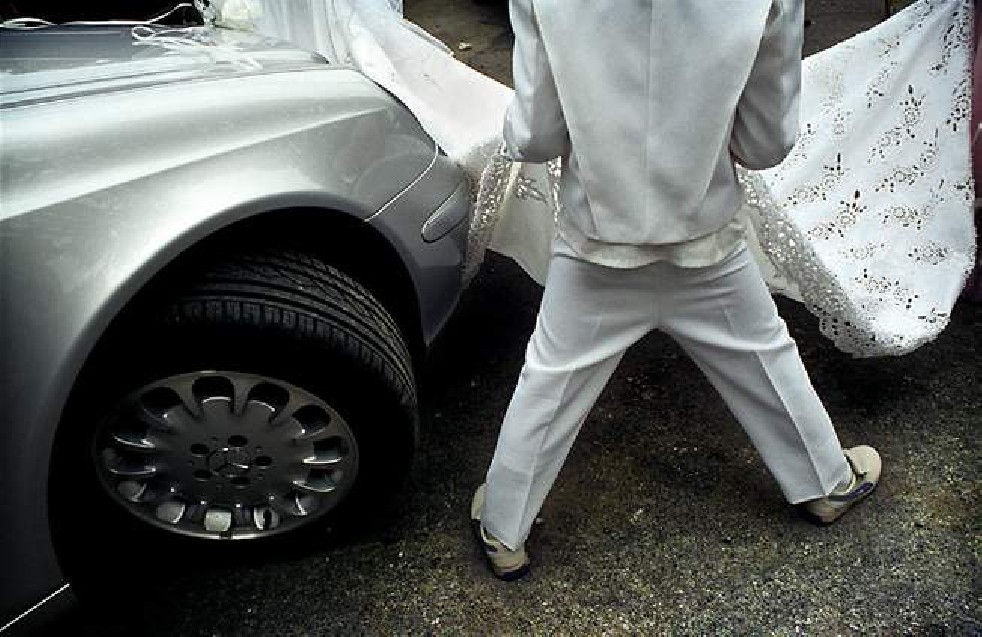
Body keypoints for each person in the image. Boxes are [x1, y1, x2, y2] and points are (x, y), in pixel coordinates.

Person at [468, 0, 882, 581]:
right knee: (763, 354)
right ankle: (825, 483)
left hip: (597, 238)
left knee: (552, 376)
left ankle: (503, 526)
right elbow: (765, 143)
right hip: (703, 231)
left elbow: (534, 136)